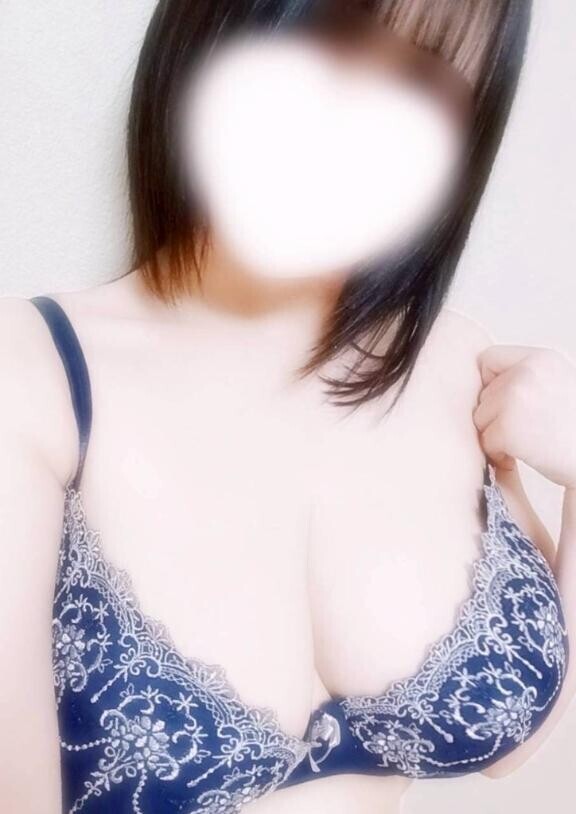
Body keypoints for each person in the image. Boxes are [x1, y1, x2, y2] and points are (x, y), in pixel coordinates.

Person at [1, 2, 575, 813]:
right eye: (331, 39)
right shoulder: (31, 375)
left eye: (422, 83)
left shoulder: (450, 357)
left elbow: (513, 742)